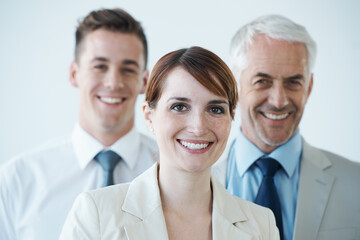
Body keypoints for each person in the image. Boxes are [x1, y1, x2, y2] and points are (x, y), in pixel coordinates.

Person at [59, 46, 279, 239]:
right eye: (179, 107)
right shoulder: (96, 214)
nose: (198, 127)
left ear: (231, 118)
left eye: (215, 109)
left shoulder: (261, 225)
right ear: (149, 116)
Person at [0, 8, 158, 240]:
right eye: (100, 66)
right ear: (74, 73)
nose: (114, 82)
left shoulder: (172, 171)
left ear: (144, 81)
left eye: (128, 69)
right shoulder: (19, 179)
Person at [212, 14, 360, 240]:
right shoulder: (193, 182)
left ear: (308, 87)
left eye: (293, 82)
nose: (279, 100)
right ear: (234, 86)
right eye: (262, 81)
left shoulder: (355, 182)